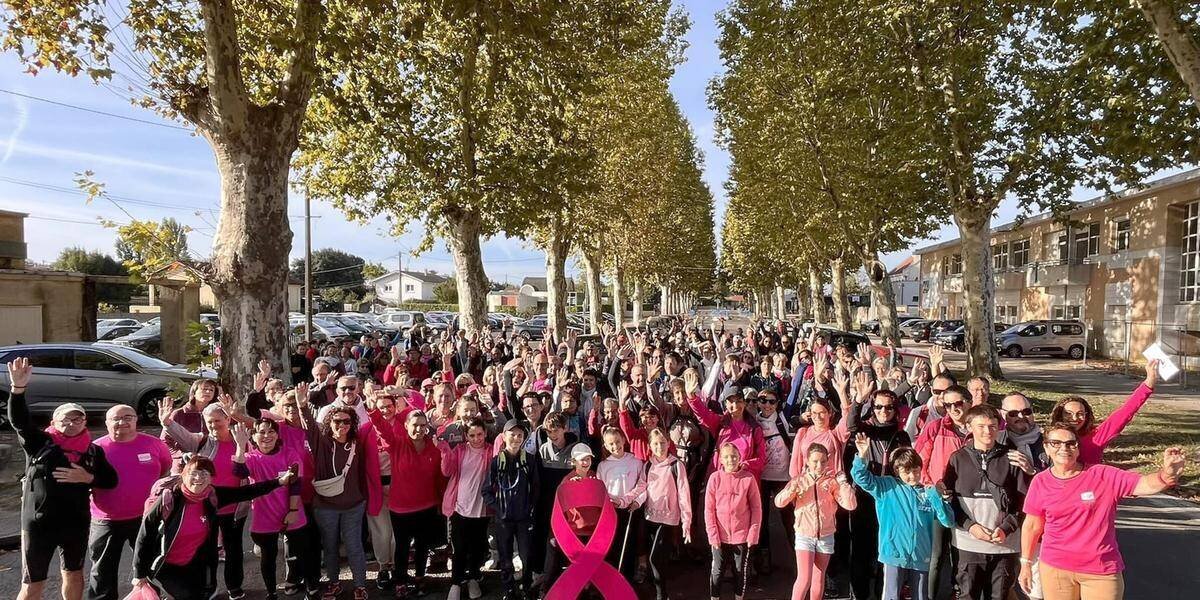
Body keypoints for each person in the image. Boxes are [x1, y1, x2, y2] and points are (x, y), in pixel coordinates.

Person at [1018, 424, 1186, 600]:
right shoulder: (1041, 481)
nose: (1064, 448)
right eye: (1056, 443)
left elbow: (1144, 485)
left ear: (1078, 447)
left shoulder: (1103, 475)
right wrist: (1026, 564)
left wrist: (1167, 475)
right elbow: (1032, 526)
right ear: (1046, 446)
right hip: (1055, 568)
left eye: (1070, 443)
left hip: (1100, 570)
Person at [7, 358, 118, 600]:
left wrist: (87, 477)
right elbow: (19, 422)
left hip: (75, 523)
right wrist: (18, 389)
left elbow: (110, 480)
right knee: (33, 582)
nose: (70, 423)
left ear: (85, 422)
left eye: (76, 419)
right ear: (53, 423)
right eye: (64, 420)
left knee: (73, 573)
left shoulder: (93, 450)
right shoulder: (40, 444)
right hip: (39, 524)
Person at [131, 455, 294, 600]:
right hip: (168, 564)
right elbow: (144, 535)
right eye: (193, 473)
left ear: (211, 478)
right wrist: (139, 573)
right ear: (183, 475)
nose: (198, 478)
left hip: (196, 561)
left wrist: (279, 481)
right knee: (188, 595)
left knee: (203, 593)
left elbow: (246, 492)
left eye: (204, 474)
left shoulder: (211, 495)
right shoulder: (168, 500)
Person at [159, 396, 254, 599]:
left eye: (217, 421)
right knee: (206, 551)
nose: (212, 425)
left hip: (236, 506)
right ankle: (208, 588)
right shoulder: (201, 441)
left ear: (228, 419)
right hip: (206, 507)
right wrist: (167, 422)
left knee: (234, 549)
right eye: (209, 421)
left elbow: (260, 432)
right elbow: (181, 434)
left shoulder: (243, 439)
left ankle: (235, 588)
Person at [942, 405, 1034, 600]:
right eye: (981, 426)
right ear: (969, 427)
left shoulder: (1012, 458)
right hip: (968, 544)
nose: (987, 431)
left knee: (999, 595)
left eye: (992, 426)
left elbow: (1023, 502)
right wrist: (970, 526)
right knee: (968, 595)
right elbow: (950, 502)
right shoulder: (957, 459)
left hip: (1004, 545)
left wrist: (1006, 528)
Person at [851, 433, 954, 600]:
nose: (912, 476)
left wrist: (938, 498)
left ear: (921, 469)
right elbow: (862, 478)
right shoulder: (887, 486)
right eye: (906, 471)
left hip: (921, 555)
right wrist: (862, 456)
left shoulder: (928, 493)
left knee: (920, 596)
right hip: (893, 553)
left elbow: (947, 521)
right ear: (897, 471)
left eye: (915, 470)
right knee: (891, 596)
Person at [87, 404, 173, 600]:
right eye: (116, 418)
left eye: (128, 417)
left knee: (150, 565)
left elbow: (165, 471)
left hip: (146, 518)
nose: (122, 422)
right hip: (106, 519)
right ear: (107, 423)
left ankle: (152, 597)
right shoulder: (94, 449)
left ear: (136, 420)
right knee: (102, 571)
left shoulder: (154, 444)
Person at [230, 420, 318, 600]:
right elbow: (239, 472)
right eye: (261, 432)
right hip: (264, 516)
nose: (266, 436)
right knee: (267, 558)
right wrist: (240, 446)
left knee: (303, 552)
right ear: (254, 436)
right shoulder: (251, 457)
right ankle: (271, 593)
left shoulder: (290, 454)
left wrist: (293, 510)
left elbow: (295, 485)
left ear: (278, 435)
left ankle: (312, 589)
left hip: (292, 512)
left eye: (271, 432)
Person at [368, 406, 443, 598]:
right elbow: (382, 428)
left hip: (427, 505)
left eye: (423, 426)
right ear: (406, 425)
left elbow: (439, 477)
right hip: (401, 508)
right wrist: (373, 411)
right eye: (415, 425)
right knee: (402, 546)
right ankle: (400, 580)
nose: (419, 429)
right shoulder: (396, 443)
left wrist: (441, 503)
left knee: (422, 546)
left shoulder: (434, 447)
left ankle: (419, 578)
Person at [774, 443, 856, 600]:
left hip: (825, 535)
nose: (819, 465)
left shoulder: (832, 482)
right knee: (804, 578)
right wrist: (792, 490)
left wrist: (844, 483)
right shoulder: (800, 480)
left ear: (828, 461)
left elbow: (850, 505)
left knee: (819, 578)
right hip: (805, 535)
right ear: (807, 461)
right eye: (815, 461)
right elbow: (779, 502)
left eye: (823, 461)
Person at [1048, 360, 1159, 466]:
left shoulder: (1097, 436)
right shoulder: (1050, 437)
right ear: (1060, 415)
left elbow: (1126, 411)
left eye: (1080, 413)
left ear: (1087, 416)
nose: (1074, 418)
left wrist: (1149, 382)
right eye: (1068, 413)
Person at [483, 420, 541, 600]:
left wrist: (530, 508)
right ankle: (508, 589)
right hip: (504, 519)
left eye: (520, 435)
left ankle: (526, 586)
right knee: (506, 557)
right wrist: (498, 508)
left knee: (526, 556)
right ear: (504, 436)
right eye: (512, 434)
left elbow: (537, 488)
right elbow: (486, 491)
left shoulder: (529, 460)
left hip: (523, 518)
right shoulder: (497, 462)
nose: (516, 438)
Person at [438, 418, 492, 600]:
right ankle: (456, 582)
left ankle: (473, 578)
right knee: (459, 548)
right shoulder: (460, 450)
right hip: (459, 507)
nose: (476, 439)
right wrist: (444, 450)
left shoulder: (491, 451)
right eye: (472, 435)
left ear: (485, 433)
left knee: (477, 547)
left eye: (479, 434)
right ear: (466, 436)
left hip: (481, 509)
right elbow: (447, 471)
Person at [705, 443, 762, 600]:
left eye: (734, 456)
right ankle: (715, 598)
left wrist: (753, 534)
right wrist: (713, 535)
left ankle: (738, 597)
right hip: (719, 536)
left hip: (741, 536)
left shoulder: (748, 479)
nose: (731, 460)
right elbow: (709, 510)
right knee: (717, 570)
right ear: (721, 460)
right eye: (726, 457)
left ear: (740, 457)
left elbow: (757, 508)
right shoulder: (714, 478)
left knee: (740, 570)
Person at [643, 429, 693, 600]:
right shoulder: (648, 465)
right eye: (656, 443)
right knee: (658, 558)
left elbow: (684, 495)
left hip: (668, 519)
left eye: (663, 442)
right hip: (650, 517)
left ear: (669, 443)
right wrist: (627, 501)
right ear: (650, 446)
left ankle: (661, 595)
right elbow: (641, 489)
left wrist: (686, 522)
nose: (660, 446)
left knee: (654, 558)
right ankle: (660, 591)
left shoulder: (676, 465)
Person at [596, 426, 647, 581]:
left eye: (618, 441)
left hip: (631, 509)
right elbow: (600, 490)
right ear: (605, 446)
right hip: (612, 510)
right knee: (614, 543)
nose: (615, 446)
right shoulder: (603, 465)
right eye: (611, 444)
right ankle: (612, 578)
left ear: (624, 440)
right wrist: (609, 503)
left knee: (630, 543)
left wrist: (637, 502)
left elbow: (644, 485)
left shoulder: (636, 461)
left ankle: (628, 578)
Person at [997, 393, 1049, 473]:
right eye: (1013, 413)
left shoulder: (1050, 441)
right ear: (1004, 415)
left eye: (1026, 412)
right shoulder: (996, 441)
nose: (1021, 416)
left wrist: (1033, 471)